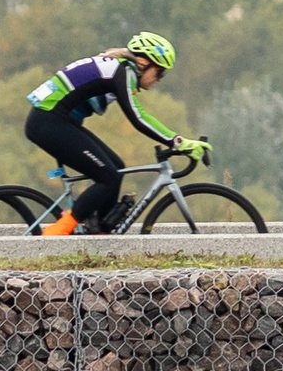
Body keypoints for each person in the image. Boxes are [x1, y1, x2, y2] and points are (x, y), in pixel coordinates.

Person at [24, 32, 208, 236]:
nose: (160, 80)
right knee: (108, 177)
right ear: (144, 63)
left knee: (117, 168)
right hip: (48, 122)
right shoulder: (120, 72)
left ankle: (100, 231)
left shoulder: (119, 68)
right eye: (160, 73)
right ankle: (53, 236)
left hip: (56, 120)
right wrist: (178, 142)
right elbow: (138, 118)